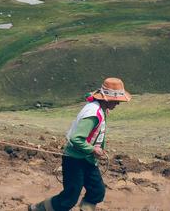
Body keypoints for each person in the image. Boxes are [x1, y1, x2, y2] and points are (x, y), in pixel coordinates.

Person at [29, 78, 132, 211]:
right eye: (117, 100)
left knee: (97, 191)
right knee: (69, 198)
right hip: (74, 160)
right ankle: (39, 209)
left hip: (87, 159)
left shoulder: (100, 107)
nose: (118, 103)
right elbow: (76, 138)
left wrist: (96, 150)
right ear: (107, 99)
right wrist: (93, 150)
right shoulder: (93, 114)